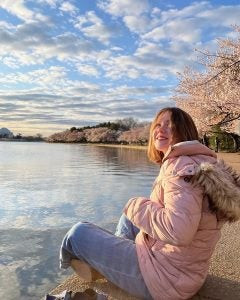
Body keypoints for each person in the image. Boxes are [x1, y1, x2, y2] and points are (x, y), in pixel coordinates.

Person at [59, 107, 240, 300]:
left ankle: (102, 267)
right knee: (128, 219)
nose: (160, 130)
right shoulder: (200, 162)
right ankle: (110, 268)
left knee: (78, 234)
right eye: (158, 125)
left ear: (183, 131)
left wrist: (135, 205)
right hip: (187, 272)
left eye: (170, 126)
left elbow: (178, 231)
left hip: (164, 280)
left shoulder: (179, 167)